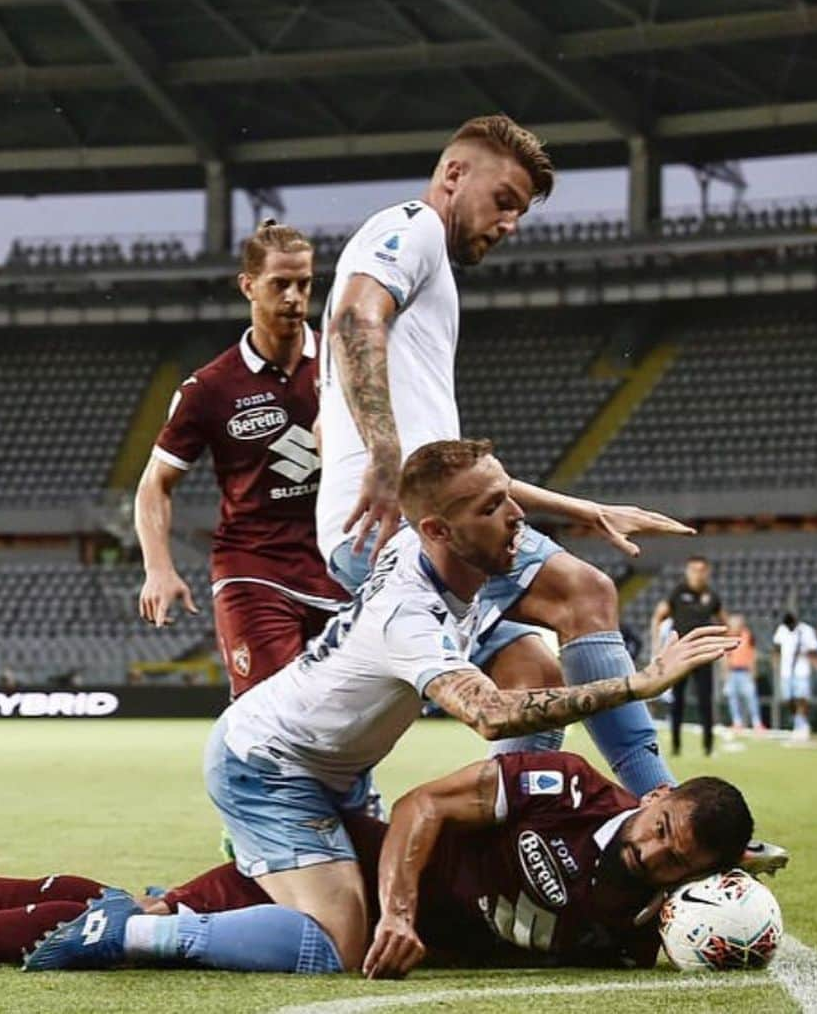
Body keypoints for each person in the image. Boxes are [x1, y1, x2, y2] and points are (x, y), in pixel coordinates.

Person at [0, 439, 730, 978]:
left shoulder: (432, 543)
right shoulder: (412, 615)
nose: (515, 518)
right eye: (493, 507)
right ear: (439, 529)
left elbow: (472, 502)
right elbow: (493, 716)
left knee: (530, 655)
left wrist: (586, 509)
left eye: (509, 497)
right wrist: (641, 682)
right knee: (338, 942)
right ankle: (134, 933)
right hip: (267, 767)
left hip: (337, 771)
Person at [315, 112, 694, 796]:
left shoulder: (427, 277)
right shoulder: (414, 227)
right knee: (585, 593)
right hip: (398, 523)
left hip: (396, 519)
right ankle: (660, 804)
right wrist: (383, 452)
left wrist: (584, 507)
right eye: (504, 201)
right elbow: (353, 316)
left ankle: (511, 850)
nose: (511, 223)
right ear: (454, 175)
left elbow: (452, 477)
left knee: (535, 678)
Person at [0, 753, 762, 976]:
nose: (653, 852)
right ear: (653, 799)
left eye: (676, 860)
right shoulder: (564, 786)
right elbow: (425, 803)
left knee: (120, 905)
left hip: (340, 902)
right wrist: (394, 911)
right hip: (332, 872)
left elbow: (706, 922)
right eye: (661, 827)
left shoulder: (648, 923)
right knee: (119, 926)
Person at [135, 220, 349, 696]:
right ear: (248, 286)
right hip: (254, 567)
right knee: (273, 717)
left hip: (340, 565)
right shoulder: (210, 388)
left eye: (304, 284)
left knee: (343, 727)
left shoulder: (348, 364)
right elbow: (155, 484)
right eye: (280, 284)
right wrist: (158, 567)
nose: (294, 297)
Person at [650, 556, 728, 758]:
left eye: (701, 570)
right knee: (678, 701)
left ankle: (708, 747)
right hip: (681, 655)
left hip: (703, 655)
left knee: (705, 702)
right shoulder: (678, 593)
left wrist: (723, 646)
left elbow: (724, 622)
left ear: (707, 572)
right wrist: (658, 646)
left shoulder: (712, 597)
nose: (697, 574)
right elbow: (658, 616)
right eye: (693, 569)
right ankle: (676, 746)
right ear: (687, 571)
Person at [771, 611, 817, 741]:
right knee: (789, 699)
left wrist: (810, 658)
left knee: (802, 698)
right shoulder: (782, 630)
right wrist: (775, 662)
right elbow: (776, 647)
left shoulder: (806, 630)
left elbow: (814, 648)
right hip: (786, 671)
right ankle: (798, 723)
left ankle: (802, 726)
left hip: (801, 670)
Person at [723, 612, 764, 734]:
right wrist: (725, 674)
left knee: (751, 698)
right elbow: (726, 657)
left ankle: (757, 722)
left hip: (745, 672)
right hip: (732, 672)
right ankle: (737, 722)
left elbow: (753, 655)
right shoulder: (728, 636)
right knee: (733, 698)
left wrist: (753, 672)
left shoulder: (748, 635)